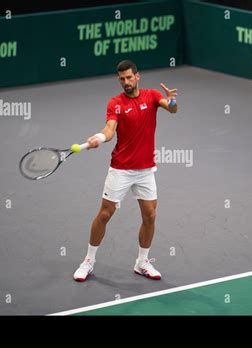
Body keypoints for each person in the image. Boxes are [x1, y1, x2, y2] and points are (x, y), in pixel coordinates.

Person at [73, 60, 178, 281]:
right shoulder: (115, 103)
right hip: (120, 169)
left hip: (146, 170)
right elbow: (109, 129)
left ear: (137, 76)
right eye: (122, 79)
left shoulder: (151, 96)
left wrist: (173, 99)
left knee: (150, 216)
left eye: (129, 77)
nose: (126, 82)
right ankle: (89, 261)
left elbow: (172, 109)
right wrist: (99, 138)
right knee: (104, 214)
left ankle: (142, 262)